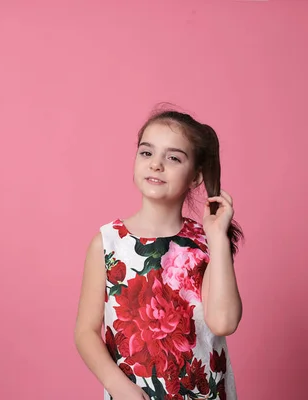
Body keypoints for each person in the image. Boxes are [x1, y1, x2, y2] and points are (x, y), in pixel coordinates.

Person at [74, 106, 244, 400]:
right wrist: (118, 386)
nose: (156, 165)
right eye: (146, 153)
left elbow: (224, 322)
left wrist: (217, 239)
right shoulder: (107, 243)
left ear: (195, 178)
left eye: (173, 158)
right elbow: (85, 331)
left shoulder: (206, 243)